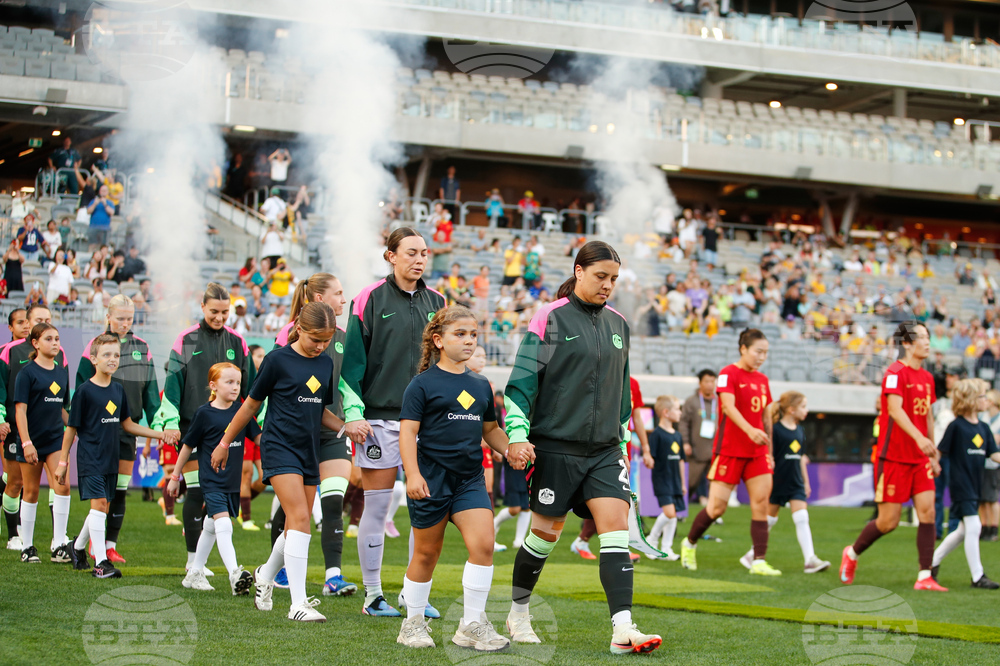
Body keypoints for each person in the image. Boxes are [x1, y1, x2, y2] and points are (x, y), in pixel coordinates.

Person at [502, 240, 662, 654]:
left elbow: (622, 395)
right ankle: (518, 613)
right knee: (543, 538)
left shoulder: (619, 324)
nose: (608, 285)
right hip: (556, 449)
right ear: (578, 271)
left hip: (606, 451)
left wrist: (623, 441)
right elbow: (521, 385)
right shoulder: (549, 318)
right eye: (600, 277)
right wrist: (518, 436)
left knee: (614, 531)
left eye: (613, 279)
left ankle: (623, 629)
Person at [396, 305, 521, 649]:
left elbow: (491, 429)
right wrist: (413, 475)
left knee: (482, 545)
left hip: (469, 480)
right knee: (426, 554)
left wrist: (510, 449)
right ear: (438, 340)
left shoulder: (481, 385)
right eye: (460, 334)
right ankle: (412, 624)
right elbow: (407, 434)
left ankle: (470, 625)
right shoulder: (421, 385)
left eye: (473, 335)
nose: (469, 341)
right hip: (430, 480)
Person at [221, 302, 354, 623]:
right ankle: (297, 604)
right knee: (300, 519)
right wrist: (224, 441)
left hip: (309, 450)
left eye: (326, 340)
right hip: (279, 447)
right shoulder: (276, 360)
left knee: (298, 522)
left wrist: (346, 427)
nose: (321, 346)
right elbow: (250, 405)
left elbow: (321, 411)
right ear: (298, 329)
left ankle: (265, 576)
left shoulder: (324, 364)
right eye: (315, 339)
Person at [340, 227, 447, 618]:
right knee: (379, 508)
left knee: (428, 508)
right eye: (411, 253)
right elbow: (350, 366)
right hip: (380, 420)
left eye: (424, 253)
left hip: (428, 424)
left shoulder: (439, 301)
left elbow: (447, 363)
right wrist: (354, 414)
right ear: (391, 256)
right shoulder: (367, 298)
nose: (419, 260)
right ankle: (373, 597)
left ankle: (413, 593)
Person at [152, 283, 254, 576]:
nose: (220, 318)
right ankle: (191, 559)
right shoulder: (186, 339)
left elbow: (250, 389)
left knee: (216, 495)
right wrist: (170, 422)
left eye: (225, 312)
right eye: (214, 312)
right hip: (192, 427)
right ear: (202, 307)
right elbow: (172, 385)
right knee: (197, 491)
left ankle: (198, 564)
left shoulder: (238, 342)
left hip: (228, 432)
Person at [269, 273, 359, 597]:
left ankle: (333, 576)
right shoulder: (288, 334)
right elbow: (273, 389)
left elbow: (349, 386)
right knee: (295, 511)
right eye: (338, 293)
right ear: (320, 299)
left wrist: (354, 418)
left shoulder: (345, 336)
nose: (344, 299)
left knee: (333, 501)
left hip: (333, 431)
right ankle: (275, 571)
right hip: (294, 435)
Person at [840, 321, 946, 591]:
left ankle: (925, 576)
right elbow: (896, 411)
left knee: (928, 513)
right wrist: (919, 438)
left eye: (928, 337)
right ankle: (851, 553)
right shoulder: (895, 372)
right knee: (889, 522)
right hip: (894, 458)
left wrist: (932, 451)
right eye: (921, 337)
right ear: (907, 343)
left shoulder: (928, 377)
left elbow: (928, 416)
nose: (927, 341)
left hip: (920, 459)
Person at [55, 334, 165, 578]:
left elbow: (128, 424)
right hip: (90, 458)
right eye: (106, 355)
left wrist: (160, 434)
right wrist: (63, 463)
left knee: (101, 508)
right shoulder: (84, 391)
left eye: (116, 355)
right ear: (93, 359)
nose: (113, 359)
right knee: (100, 505)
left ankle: (76, 548)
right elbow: (71, 430)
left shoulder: (118, 390)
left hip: (110, 458)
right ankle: (101, 563)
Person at [679, 329, 781, 576]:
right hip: (730, 452)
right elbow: (728, 406)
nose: (762, 357)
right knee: (716, 509)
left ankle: (758, 561)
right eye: (758, 351)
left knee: (761, 504)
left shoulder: (762, 380)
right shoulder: (727, 374)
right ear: (743, 349)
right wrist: (750, 430)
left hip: (757, 452)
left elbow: (766, 417)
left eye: (765, 353)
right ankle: (689, 543)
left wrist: (769, 450)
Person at [76, 295, 164, 564]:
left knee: (118, 492)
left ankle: (106, 546)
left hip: (128, 429)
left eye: (130, 318)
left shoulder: (142, 347)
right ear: (109, 316)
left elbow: (150, 392)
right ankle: (93, 548)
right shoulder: (94, 346)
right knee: (101, 498)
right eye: (120, 318)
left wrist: (158, 426)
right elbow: (82, 387)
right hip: (98, 433)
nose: (126, 323)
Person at [166, 362, 261, 594]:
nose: (235, 387)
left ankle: (195, 572)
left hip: (232, 483)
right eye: (229, 382)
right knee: (224, 525)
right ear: (213, 385)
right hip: (211, 481)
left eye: (238, 382)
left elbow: (260, 439)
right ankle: (235, 574)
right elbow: (187, 446)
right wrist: (175, 476)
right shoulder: (204, 413)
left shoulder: (242, 412)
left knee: (210, 526)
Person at [738, 391, 830, 574]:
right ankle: (751, 555)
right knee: (769, 520)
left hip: (795, 482)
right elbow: (770, 456)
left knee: (802, 518)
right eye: (803, 406)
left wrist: (806, 482)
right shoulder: (775, 430)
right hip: (778, 480)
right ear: (791, 409)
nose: (807, 410)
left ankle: (810, 560)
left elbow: (801, 458)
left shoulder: (800, 430)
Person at [931, 379, 1000, 589]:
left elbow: (994, 453)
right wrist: (934, 464)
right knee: (974, 526)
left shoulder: (984, 428)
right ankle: (978, 576)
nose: (986, 399)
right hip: (961, 486)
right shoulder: (956, 427)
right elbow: (939, 451)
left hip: (976, 485)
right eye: (982, 396)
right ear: (970, 400)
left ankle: (930, 564)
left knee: (962, 531)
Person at [12, 322, 70, 564]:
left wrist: (79, 429)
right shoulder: (26, 373)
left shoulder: (62, 371)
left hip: (55, 439)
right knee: (32, 491)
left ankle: (59, 545)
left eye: (57, 338)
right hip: (32, 441)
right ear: (35, 343)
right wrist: (26, 443)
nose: (55, 343)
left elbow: (64, 410)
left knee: (63, 487)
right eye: (49, 339)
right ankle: (28, 547)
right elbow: (20, 411)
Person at [0, 308, 30, 550]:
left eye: (27, 322)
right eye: (20, 323)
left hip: (38, 427)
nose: (25, 326)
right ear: (10, 327)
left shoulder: (43, 353)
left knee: (20, 481)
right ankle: (13, 535)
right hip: (11, 426)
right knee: (15, 480)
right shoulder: (6, 353)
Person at [644, 396, 685, 561]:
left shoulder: (678, 435)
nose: (680, 412)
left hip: (675, 481)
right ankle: (651, 540)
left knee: (673, 515)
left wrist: (682, 482)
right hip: (662, 479)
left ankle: (666, 548)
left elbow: (681, 460)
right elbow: (650, 458)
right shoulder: (656, 435)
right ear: (666, 412)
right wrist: (649, 459)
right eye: (677, 409)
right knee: (669, 513)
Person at [237, 345, 267, 532]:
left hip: (264, 430)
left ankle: (239, 506)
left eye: (264, 356)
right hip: (247, 429)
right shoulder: (244, 378)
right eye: (259, 356)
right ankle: (246, 517)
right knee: (246, 473)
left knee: (265, 477)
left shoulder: (268, 374)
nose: (262, 359)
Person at [679, 369, 718, 505]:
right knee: (690, 481)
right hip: (696, 448)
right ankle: (680, 509)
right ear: (700, 383)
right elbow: (683, 423)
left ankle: (713, 511)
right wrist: (685, 442)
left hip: (715, 449)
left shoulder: (720, 401)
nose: (710, 385)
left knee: (715, 483)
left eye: (712, 381)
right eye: (706, 381)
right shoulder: (692, 401)